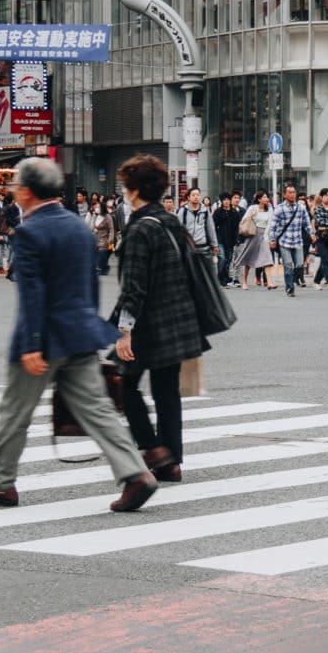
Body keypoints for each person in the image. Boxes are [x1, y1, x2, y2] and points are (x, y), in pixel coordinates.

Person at [0, 159, 158, 512]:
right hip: (81, 333)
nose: (13, 193)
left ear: (26, 191)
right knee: (98, 410)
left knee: (14, 413)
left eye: (15, 188)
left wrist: (31, 344)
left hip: (45, 339)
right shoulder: (78, 227)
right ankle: (136, 473)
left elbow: (32, 293)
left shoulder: (29, 231)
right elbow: (90, 283)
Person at [107, 155, 212, 485]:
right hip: (178, 319)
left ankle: (153, 450)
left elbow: (134, 285)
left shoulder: (140, 228)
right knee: (166, 390)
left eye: (126, 186)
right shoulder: (170, 222)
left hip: (148, 323)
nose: (124, 192)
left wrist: (124, 331)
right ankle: (172, 461)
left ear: (135, 189)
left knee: (124, 383)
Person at [268, 184, 315, 297]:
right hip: (285, 242)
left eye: (293, 192)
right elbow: (273, 226)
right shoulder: (279, 208)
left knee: (299, 265)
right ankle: (290, 288)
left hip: (298, 242)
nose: (292, 194)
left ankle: (293, 280)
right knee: (288, 267)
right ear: (285, 194)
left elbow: (306, 223)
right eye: (289, 192)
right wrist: (272, 239)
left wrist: (311, 233)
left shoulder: (301, 207)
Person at [234, 190, 275, 289]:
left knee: (267, 259)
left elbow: (271, 223)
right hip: (253, 234)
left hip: (264, 235)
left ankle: (269, 282)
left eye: (267, 197)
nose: (266, 199)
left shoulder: (269, 209)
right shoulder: (253, 208)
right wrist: (251, 215)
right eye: (264, 197)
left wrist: (268, 237)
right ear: (259, 199)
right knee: (248, 259)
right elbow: (244, 220)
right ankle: (244, 282)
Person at [175, 187, 220, 275]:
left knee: (204, 274)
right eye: (193, 195)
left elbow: (211, 229)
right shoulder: (183, 211)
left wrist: (215, 245)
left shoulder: (205, 211)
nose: (196, 197)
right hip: (187, 247)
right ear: (189, 197)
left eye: (198, 195)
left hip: (203, 247)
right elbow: (177, 229)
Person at [213, 192, 241, 287]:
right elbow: (213, 226)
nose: (226, 201)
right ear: (221, 201)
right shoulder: (217, 212)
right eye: (224, 200)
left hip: (231, 239)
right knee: (222, 258)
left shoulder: (234, 213)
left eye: (228, 199)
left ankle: (225, 277)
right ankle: (220, 278)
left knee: (228, 260)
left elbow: (237, 227)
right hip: (219, 238)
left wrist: (237, 238)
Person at [89, 200, 117, 275]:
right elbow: (91, 226)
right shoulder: (96, 216)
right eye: (96, 207)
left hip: (105, 239)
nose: (96, 208)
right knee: (97, 254)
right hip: (96, 238)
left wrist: (110, 239)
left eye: (98, 207)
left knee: (102, 254)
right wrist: (94, 216)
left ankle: (101, 268)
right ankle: (104, 267)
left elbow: (111, 229)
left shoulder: (108, 217)